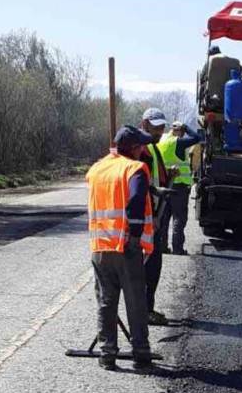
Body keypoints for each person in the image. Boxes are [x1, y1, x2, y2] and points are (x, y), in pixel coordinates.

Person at [85, 125, 158, 370]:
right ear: (134, 148)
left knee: (106, 302)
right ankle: (141, 354)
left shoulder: (96, 169)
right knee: (135, 300)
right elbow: (136, 199)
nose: (144, 150)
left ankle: (107, 354)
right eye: (142, 146)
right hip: (125, 246)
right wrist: (135, 235)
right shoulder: (135, 169)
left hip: (100, 246)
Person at [139, 107, 173, 326]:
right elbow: (142, 186)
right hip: (148, 216)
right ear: (145, 124)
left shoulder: (153, 148)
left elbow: (154, 180)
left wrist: (168, 175)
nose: (160, 131)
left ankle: (147, 308)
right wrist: (151, 216)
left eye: (161, 127)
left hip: (155, 212)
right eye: (155, 126)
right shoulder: (142, 150)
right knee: (148, 266)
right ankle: (144, 310)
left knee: (155, 263)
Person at [158, 121, 203, 255]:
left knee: (164, 217)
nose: (183, 135)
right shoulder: (177, 142)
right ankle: (177, 248)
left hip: (164, 184)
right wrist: (186, 127)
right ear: (178, 131)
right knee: (179, 217)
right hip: (179, 185)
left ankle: (162, 246)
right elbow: (196, 138)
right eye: (182, 132)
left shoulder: (162, 139)